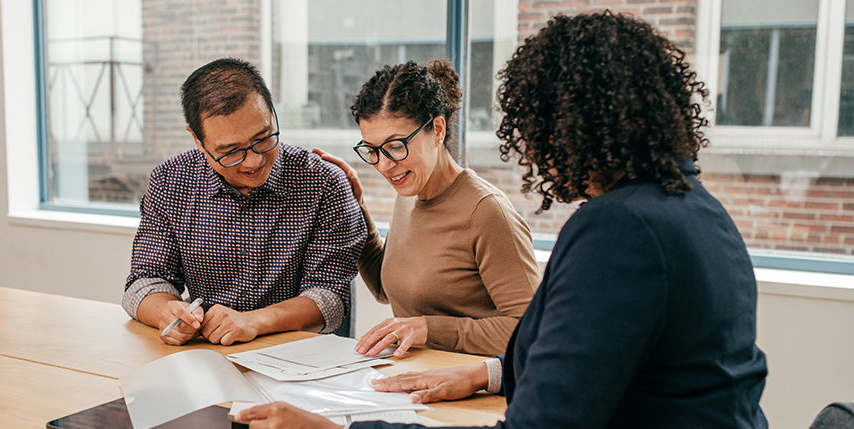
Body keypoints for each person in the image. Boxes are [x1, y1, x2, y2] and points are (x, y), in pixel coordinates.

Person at [238, 12, 768, 429]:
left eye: (537, 133)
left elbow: (543, 415)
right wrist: (490, 374)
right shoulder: (697, 209)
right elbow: (606, 366)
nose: (536, 155)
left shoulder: (619, 230)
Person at [122, 58, 367, 346]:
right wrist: (166, 312)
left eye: (263, 138)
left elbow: (329, 298)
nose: (253, 161)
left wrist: (253, 321)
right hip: (211, 352)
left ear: (272, 112)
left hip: (301, 356)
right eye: (230, 151)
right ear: (198, 140)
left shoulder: (324, 183)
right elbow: (145, 280)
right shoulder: (170, 181)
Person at [317, 58, 541, 358]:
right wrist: (354, 206)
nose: (384, 165)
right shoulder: (409, 194)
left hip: (469, 393)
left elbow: (529, 331)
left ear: (437, 129)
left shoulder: (487, 212)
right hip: (412, 379)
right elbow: (387, 288)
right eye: (372, 150)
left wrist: (427, 329)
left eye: (396, 146)